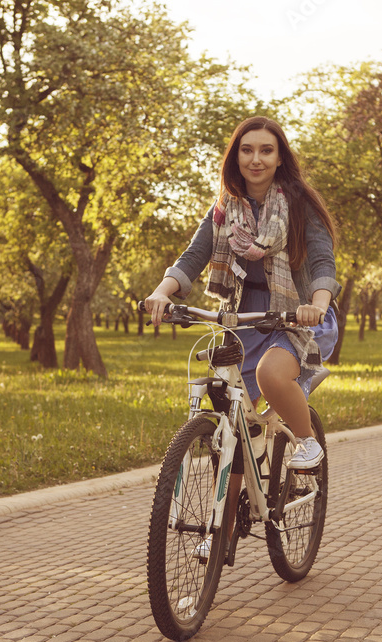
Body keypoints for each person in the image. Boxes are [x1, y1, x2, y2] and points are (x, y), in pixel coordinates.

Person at [145, 116, 340, 470]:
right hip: (245, 314)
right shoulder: (225, 208)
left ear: (280, 158)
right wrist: (162, 293)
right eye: (247, 150)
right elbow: (194, 256)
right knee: (237, 427)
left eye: (267, 151)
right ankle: (228, 520)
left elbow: (324, 261)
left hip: (299, 311)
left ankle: (307, 442)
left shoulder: (300, 204)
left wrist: (317, 304)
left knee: (271, 374)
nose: (256, 159)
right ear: (236, 157)